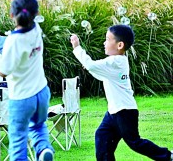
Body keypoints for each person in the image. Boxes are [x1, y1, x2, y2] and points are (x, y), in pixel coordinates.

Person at [70, 25, 173, 161]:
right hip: (114, 112)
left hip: (124, 112)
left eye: (107, 39)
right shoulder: (119, 61)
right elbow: (103, 76)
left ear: (119, 45)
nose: (104, 42)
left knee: (134, 142)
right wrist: (92, 69)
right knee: (102, 137)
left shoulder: (115, 61)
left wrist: (77, 47)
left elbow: (91, 65)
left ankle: (168, 156)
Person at [0, 0, 54, 161]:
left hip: (22, 97)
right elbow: (25, 13)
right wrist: (16, 1)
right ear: (35, 14)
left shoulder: (14, 40)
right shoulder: (36, 29)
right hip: (41, 93)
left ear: (12, 15)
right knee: (38, 126)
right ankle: (43, 150)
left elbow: (3, 71)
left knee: (18, 139)